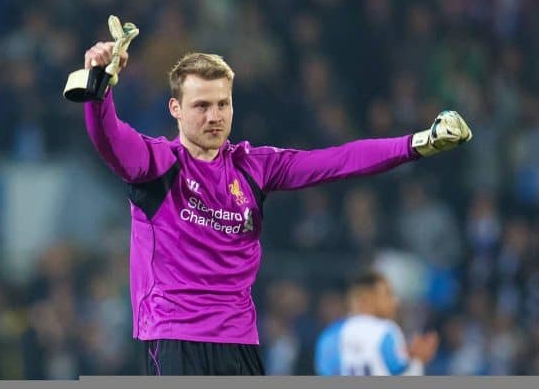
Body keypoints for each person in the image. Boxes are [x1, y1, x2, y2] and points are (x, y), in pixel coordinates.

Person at [79, 22, 471, 375]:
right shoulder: (158, 164)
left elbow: (338, 161)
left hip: (240, 342)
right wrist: (99, 90)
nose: (214, 116)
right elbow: (111, 140)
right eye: (201, 106)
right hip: (174, 338)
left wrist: (416, 144)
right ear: (176, 109)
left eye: (223, 104)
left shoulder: (253, 166)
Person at [314, 270, 438, 375]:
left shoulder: (330, 334)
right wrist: (417, 359)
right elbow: (399, 372)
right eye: (387, 294)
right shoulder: (385, 330)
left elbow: (324, 371)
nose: (394, 301)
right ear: (367, 298)